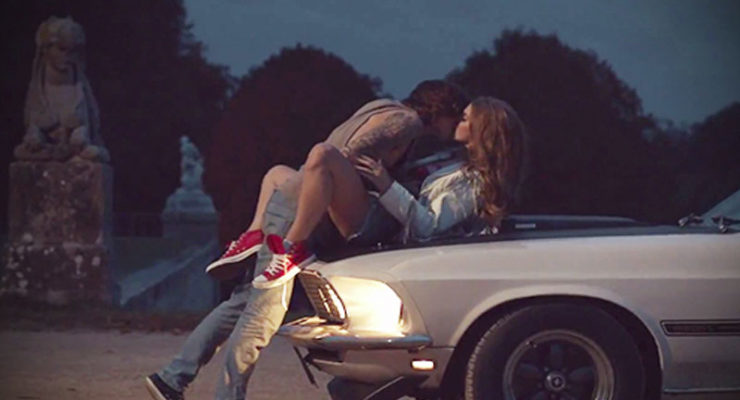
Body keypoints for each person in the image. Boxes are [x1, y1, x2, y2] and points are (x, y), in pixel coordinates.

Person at [145, 80, 468, 400]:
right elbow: (345, 153)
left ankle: (172, 378)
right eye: (454, 118)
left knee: (240, 303)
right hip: (301, 219)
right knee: (261, 316)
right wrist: (374, 183)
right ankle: (224, 394)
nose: (453, 128)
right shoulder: (407, 121)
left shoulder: (380, 107)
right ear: (441, 109)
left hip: (287, 206)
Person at [326, 96, 527, 400]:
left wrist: (385, 184)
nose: (458, 120)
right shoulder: (458, 167)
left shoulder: (474, 182)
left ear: (482, 130)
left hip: (432, 264)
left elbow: (427, 227)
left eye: (466, 118)